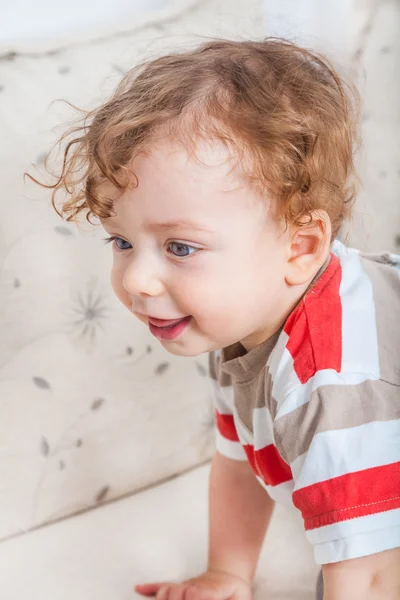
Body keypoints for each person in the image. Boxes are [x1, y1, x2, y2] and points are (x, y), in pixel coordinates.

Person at [27, 38, 400, 600]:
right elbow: (243, 462)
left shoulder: (331, 382)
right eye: (122, 241)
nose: (135, 281)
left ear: (300, 246)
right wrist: (227, 573)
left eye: (179, 247)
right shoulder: (241, 329)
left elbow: (373, 573)